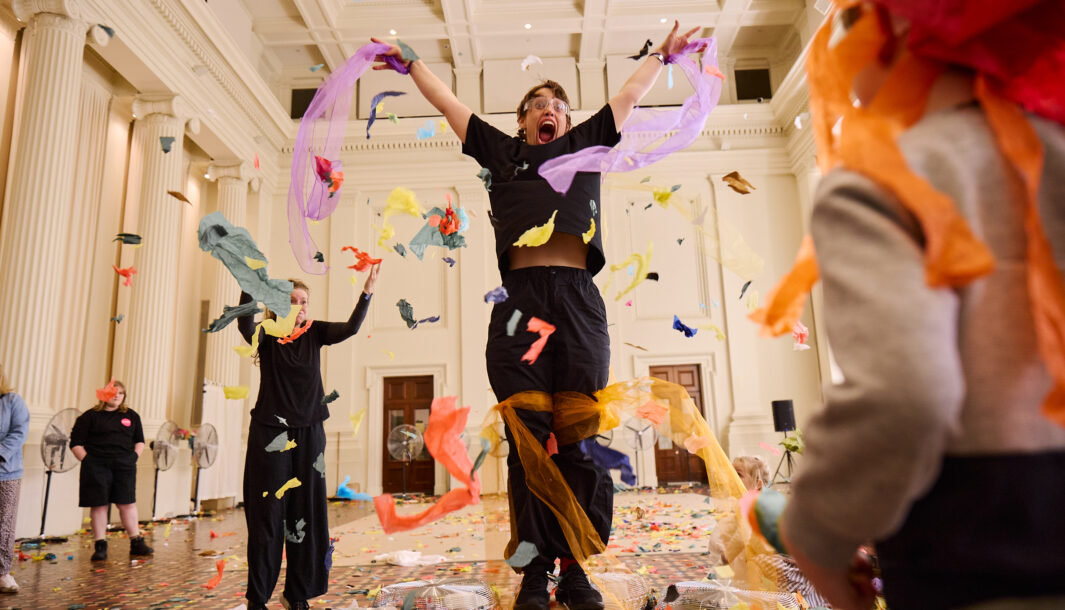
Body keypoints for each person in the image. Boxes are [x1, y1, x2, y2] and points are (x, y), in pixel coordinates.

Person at [372, 21, 700, 610]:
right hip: (519, 305)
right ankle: (531, 570)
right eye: (537, 106)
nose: (549, 111)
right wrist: (411, 63)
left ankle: (574, 569)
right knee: (529, 445)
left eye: (558, 106)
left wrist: (663, 56)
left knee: (577, 442)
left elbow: (627, 94)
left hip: (578, 301)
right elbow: (450, 102)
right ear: (523, 120)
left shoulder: (588, 145)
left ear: (569, 123)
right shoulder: (504, 153)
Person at [756, 2, 1065, 609]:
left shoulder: (882, 182)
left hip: (979, 550)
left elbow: (906, 395)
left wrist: (816, 534)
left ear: (890, 36)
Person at [238, 267, 379, 610]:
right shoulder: (267, 335)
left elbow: (351, 328)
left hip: (309, 431)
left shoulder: (315, 333)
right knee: (268, 515)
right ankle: (258, 599)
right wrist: (250, 286)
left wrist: (367, 292)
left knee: (306, 512)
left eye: (304, 301)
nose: (300, 306)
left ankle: (297, 593)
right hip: (270, 433)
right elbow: (244, 324)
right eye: (292, 300)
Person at [69, 380, 152, 561]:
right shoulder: (90, 416)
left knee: (127, 503)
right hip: (96, 465)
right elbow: (75, 442)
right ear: (103, 395)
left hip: (124, 465)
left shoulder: (132, 416)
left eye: (121, 393)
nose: (117, 396)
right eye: (113, 392)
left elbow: (139, 441)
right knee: (99, 504)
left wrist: (134, 457)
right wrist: (88, 460)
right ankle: (100, 545)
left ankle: (136, 542)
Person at [0, 363, 29, 594]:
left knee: (4, 525)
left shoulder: (12, 401)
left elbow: (19, 432)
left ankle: (2, 573)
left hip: (6, 473)